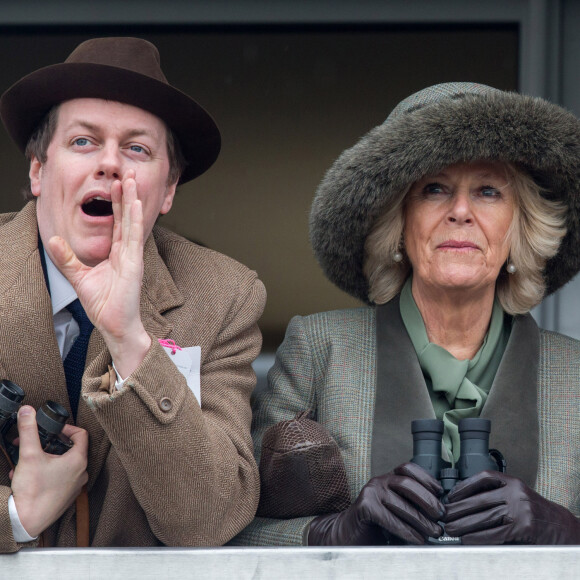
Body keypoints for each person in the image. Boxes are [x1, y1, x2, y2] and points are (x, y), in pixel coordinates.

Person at [232, 82, 580, 546]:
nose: (460, 211)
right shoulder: (319, 349)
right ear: (398, 222)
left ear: (522, 226)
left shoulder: (574, 373)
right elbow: (232, 530)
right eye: (434, 189)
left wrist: (565, 532)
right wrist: (334, 532)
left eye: (488, 191)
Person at [0, 37, 266, 551]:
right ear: (37, 169)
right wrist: (14, 516)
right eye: (83, 142)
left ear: (167, 190)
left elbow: (208, 520)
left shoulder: (224, 296)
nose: (110, 165)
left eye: (137, 149)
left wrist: (131, 344)